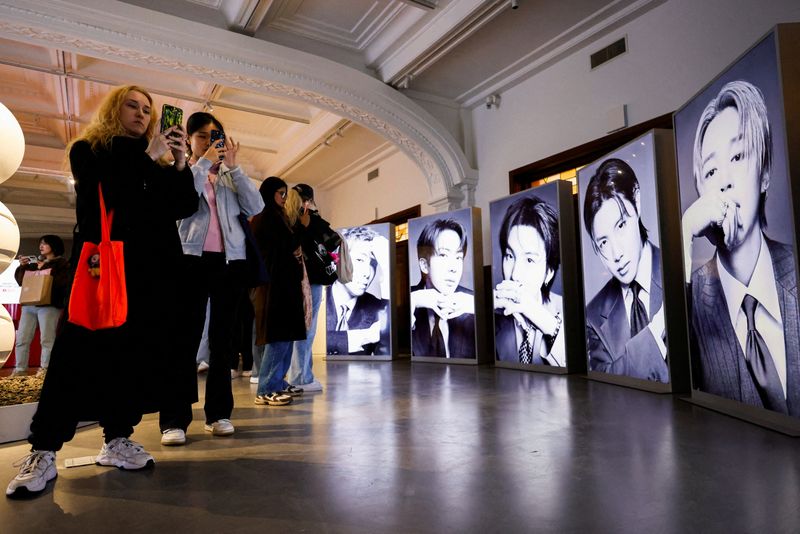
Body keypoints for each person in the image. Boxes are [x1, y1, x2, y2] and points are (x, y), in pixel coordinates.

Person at [6, 85, 197, 498]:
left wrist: (180, 163)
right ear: (114, 108)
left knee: (128, 358)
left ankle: (116, 439)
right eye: (133, 105)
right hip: (101, 272)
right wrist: (148, 157)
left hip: (148, 278)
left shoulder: (160, 164)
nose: (142, 114)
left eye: (148, 109)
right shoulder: (90, 151)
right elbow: (104, 199)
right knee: (74, 357)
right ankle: (43, 450)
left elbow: (184, 207)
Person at [682, 80, 800, 415]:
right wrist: (684, 234)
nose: (725, 180)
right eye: (711, 169)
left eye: (737, 156)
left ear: (764, 172)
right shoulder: (688, 300)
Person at [159, 112, 264, 446]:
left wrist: (233, 167)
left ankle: (219, 414)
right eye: (203, 135)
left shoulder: (229, 177)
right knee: (183, 341)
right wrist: (202, 164)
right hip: (190, 262)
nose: (211, 141)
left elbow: (255, 205)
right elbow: (178, 205)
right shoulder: (182, 172)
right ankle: (174, 420)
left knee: (223, 344)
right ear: (189, 139)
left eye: (216, 135)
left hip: (229, 264)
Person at [583, 158, 668, 382]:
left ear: (637, 201)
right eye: (603, 242)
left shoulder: (681, 275)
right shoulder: (592, 315)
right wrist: (656, 332)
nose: (616, 253)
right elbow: (605, 386)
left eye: (621, 225)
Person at [250, 177, 307, 406]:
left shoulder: (275, 217)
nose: (284, 198)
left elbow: (289, 246)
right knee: (277, 337)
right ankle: (266, 389)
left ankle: (278, 382)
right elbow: (288, 246)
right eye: (281, 194)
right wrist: (301, 228)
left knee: (286, 336)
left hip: (283, 285)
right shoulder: (265, 218)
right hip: (273, 287)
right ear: (270, 193)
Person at [494, 196, 565, 366]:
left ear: (549, 272)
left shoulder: (569, 312)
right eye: (510, 256)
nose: (515, 274)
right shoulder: (494, 314)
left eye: (529, 260)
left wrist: (546, 323)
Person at [287, 184, 337, 389]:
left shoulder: (286, 218)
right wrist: (310, 223)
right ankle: (302, 377)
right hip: (311, 278)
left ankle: (299, 373)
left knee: (298, 326)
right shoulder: (309, 219)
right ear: (308, 200)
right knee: (308, 326)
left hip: (291, 277)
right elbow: (332, 242)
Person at [410, 218, 475, 358]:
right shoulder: (407, 300)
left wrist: (477, 308)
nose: (453, 268)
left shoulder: (473, 303)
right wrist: (412, 302)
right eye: (444, 255)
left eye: (458, 258)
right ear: (424, 265)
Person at [325, 226, 390, 356]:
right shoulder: (318, 301)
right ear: (337, 261)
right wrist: (364, 336)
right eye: (359, 260)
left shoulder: (379, 308)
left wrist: (387, 266)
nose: (367, 273)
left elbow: (388, 351)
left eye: (373, 264)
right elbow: (311, 341)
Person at [13, 235, 71, 376]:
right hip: (29, 304)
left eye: (45, 243)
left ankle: (45, 369)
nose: (41, 246)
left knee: (46, 338)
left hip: (49, 305)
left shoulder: (62, 264)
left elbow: (62, 283)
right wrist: (23, 266)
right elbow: (21, 281)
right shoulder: (35, 263)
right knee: (22, 338)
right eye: (40, 243)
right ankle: (20, 369)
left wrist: (45, 268)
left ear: (54, 246)